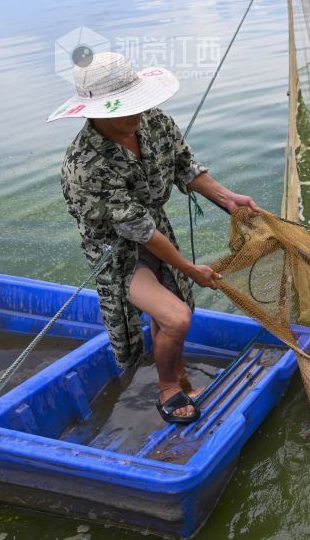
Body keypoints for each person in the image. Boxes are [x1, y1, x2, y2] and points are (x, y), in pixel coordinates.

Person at [49, 52, 260, 424]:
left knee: (175, 310)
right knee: (176, 317)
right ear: (92, 113)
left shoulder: (154, 120)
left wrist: (229, 200)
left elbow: (184, 165)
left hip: (156, 232)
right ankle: (167, 387)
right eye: (123, 110)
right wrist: (190, 268)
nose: (136, 114)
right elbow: (138, 230)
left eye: (139, 104)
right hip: (116, 253)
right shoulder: (85, 165)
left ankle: (179, 373)